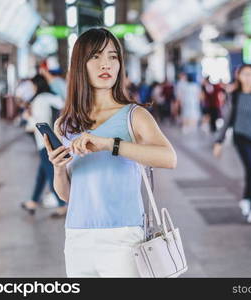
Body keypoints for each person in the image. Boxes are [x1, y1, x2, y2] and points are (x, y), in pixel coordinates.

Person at [44, 27, 177, 277]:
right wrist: (58, 168)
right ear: (80, 65)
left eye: (113, 56)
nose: (106, 64)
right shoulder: (65, 124)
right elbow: (67, 195)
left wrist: (109, 144)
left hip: (124, 237)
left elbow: (169, 158)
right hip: (77, 237)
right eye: (95, 56)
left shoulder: (134, 115)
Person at [212, 65, 251, 224]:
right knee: (250, 169)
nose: (247, 77)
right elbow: (228, 118)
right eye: (244, 74)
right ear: (239, 76)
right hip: (241, 137)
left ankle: (247, 198)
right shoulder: (235, 95)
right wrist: (219, 141)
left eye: (250, 74)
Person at [21, 75, 67, 218]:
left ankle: (62, 204)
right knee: (42, 173)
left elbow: (40, 122)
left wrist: (28, 117)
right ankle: (33, 201)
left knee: (50, 172)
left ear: (37, 85)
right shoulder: (52, 97)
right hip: (55, 139)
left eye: (32, 85)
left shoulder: (40, 100)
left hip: (44, 142)